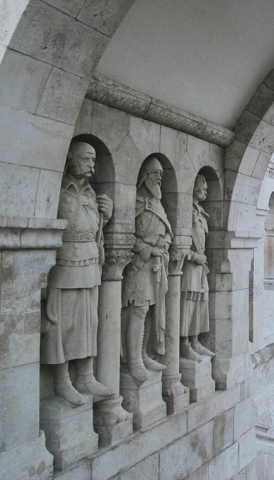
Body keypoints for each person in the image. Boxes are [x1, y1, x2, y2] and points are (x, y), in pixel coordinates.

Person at [41, 142, 115, 406]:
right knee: (62, 324)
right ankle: (62, 380)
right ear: (70, 158)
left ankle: (85, 375)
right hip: (64, 264)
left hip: (90, 263)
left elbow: (93, 232)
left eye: (93, 160)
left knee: (89, 321)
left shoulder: (92, 194)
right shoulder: (57, 189)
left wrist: (105, 218)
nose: (91, 165)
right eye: (86, 159)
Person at [122, 157, 173, 382]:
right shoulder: (135, 201)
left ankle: (143, 354)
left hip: (157, 266)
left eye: (161, 174)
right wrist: (146, 248)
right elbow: (122, 236)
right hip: (139, 266)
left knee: (152, 310)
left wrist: (164, 243)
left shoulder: (158, 203)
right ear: (145, 175)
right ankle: (133, 360)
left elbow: (168, 231)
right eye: (155, 173)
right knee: (138, 310)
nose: (159, 178)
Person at [180, 174, 215, 362]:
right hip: (189, 266)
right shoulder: (186, 210)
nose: (206, 192)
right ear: (195, 188)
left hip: (201, 266)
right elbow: (178, 243)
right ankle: (184, 344)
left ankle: (195, 341)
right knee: (188, 303)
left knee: (200, 302)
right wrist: (194, 257)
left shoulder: (200, 211)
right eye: (204, 188)